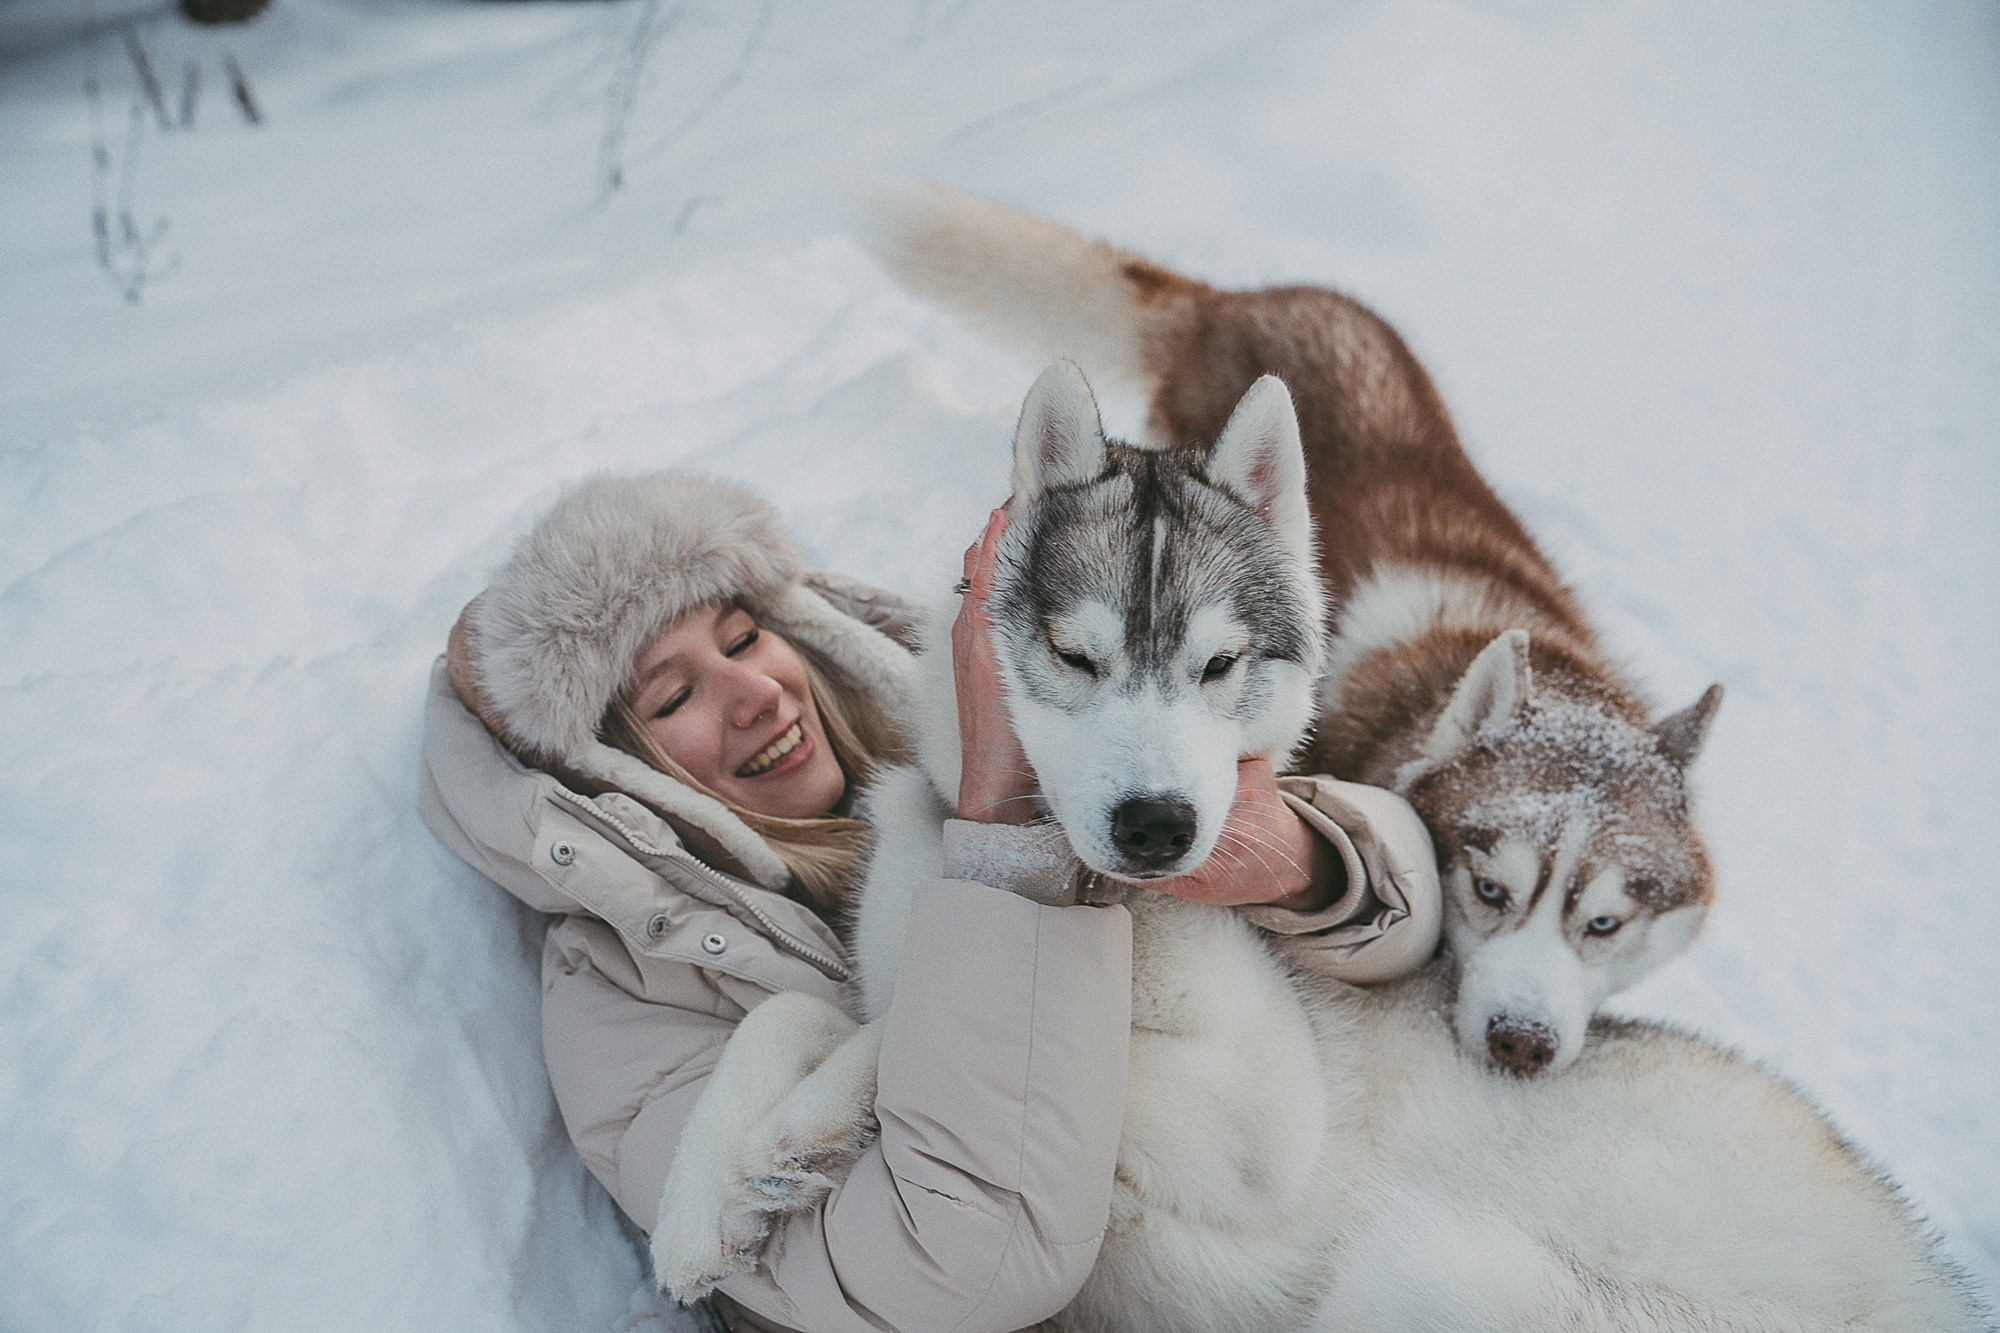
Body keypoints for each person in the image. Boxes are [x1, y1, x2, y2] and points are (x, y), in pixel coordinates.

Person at [419, 471, 1441, 1333]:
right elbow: (942, 1262)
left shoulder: (983, 715)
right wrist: (1000, 844)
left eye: (743, 637)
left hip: (1403, 1177)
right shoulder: (624, 988)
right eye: (673, 696)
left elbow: (1426, 893)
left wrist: (1305, 862)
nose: (755, 694)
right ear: (614, 770)